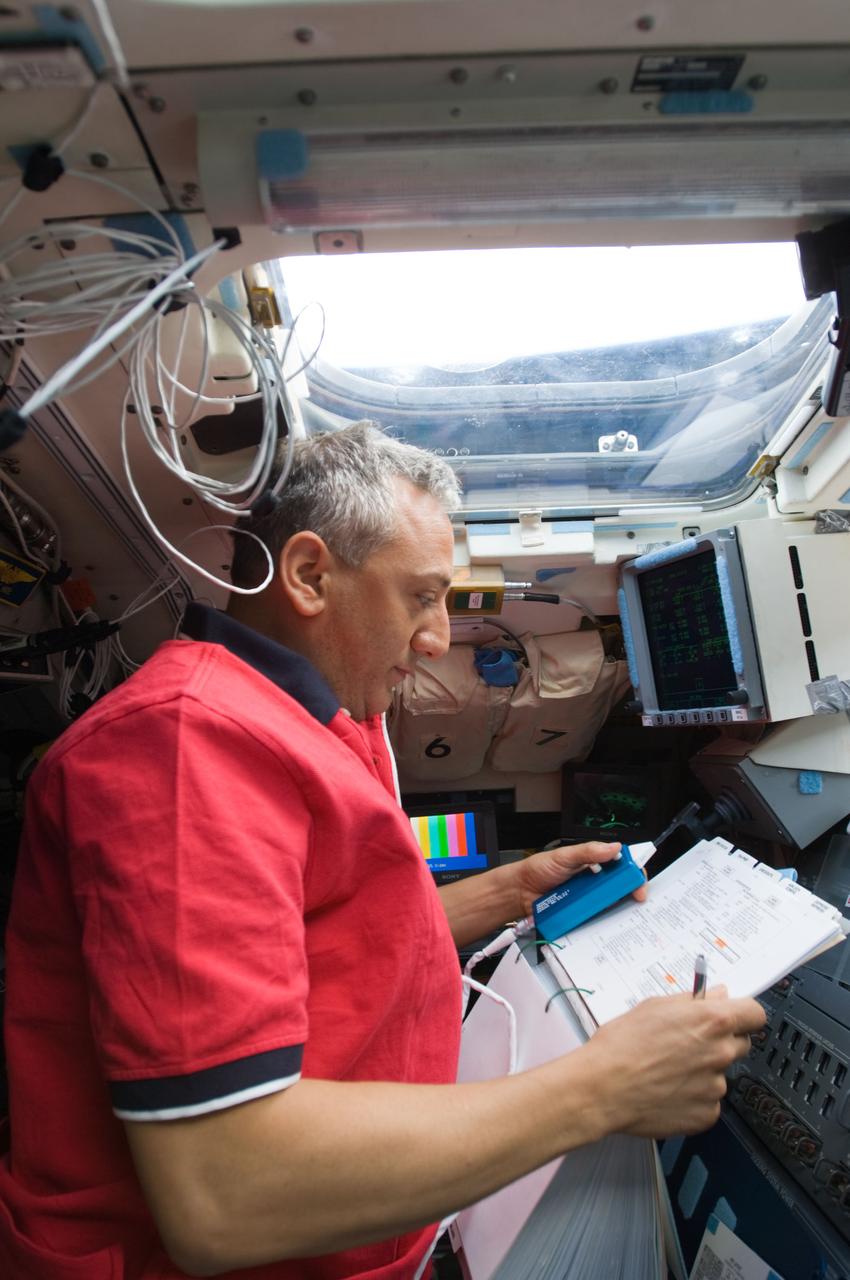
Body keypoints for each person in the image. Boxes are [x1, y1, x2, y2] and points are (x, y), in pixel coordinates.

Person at [1, 421, 765, 1280]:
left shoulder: (319, 715)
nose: (437, 638)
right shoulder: (184, 749)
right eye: (422, 597)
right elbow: (226, 1189)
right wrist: (606, 1088)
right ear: (308, 575)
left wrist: (510, 892)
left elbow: (317, 933)